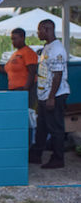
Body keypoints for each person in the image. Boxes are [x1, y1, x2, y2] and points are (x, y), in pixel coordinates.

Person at [29, 19, 69, 169]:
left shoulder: (57, 49)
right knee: (42, 127)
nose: (38, 33)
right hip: (44, 95)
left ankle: (58, 159)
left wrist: (51, 97)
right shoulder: (47, 47)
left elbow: (57, 75)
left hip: (54, 96)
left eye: (39, 30)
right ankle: (36, 154)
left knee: (55, 128)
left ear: (47, 29)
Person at [0, 28, 38, 100]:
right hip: (14, 90)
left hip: (23, 90)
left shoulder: (28, 52)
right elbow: (6, 70)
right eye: (12, 39)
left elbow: (32, 72)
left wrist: (25, 90)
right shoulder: (15, 54)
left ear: (22, 38)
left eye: (15, 39)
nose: (13, 42)